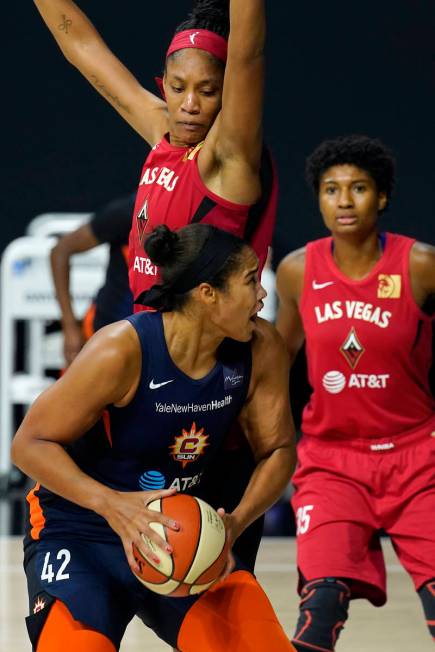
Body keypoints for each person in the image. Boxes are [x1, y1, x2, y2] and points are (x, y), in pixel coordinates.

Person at [34, 0, 277, 575]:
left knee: (205, 588)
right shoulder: (162, 131)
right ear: (162, 85)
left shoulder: (229, 160)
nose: (191, 104)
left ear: (229, 95)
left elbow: (247, 51)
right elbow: (83, 49)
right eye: (178, 86)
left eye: (209, 90)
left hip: (209, 386)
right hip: (149, 374)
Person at [12, 223, 297, 652]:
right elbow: (28, 445)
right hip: (82, 529)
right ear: (207, 294)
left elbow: (277, 450)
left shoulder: (261, 347)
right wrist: (112, 504)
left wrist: (234, 523)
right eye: (250, 280)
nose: (262, 294)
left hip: (180, 529)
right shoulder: (120, 350)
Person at [275, 134, 435, 651]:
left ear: (382, 197)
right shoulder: (298, 271)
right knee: (318, 610)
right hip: (332, 462)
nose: (344, 201)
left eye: (358, 188)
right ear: (318, 199)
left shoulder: (420, 265)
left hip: (419, 458)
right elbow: (275, 363)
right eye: (330, 189)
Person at [50, 193, 135, 365]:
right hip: (104, 331)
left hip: (152, 335)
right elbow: (60, 251)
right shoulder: (129, 211)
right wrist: (70, 326)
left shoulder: (192, 215)